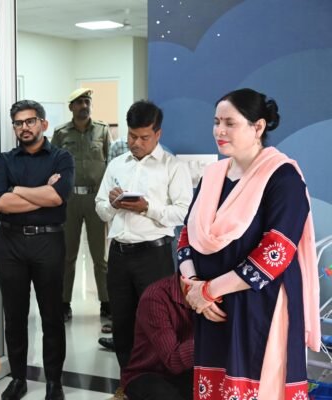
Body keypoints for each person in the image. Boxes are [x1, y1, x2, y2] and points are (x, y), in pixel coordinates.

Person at [179, 88, 320, 399]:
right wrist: (193, 284)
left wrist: (208, 291)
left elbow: (275, 253)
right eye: (216, 122)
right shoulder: (212, 176)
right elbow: (187, 235)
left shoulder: (282, 177)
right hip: (211, 309)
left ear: (258, 127)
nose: (219, 131)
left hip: (259, 306)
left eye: (230, 123)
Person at [95, 100, 192, 373]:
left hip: (154, 256)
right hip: (119, 255)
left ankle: (155, 384)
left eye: (143, 137)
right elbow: (100, 209)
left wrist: (147, 207)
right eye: (131, 136)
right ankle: (128, 383)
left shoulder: (173, 167)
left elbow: (183, 212)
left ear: (158, 134)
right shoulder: (116, 165)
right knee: (122, 323)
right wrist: (112, 204)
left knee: (157, 324)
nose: (136, 143)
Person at [0, 100, 74, 400]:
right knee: (15, 315)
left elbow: (58, 197)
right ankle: (18, 378)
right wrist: (42, 192)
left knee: (52, 315)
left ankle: (54, 382)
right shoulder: (4, 161)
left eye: (30, 121)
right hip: (10, 244)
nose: (24, 127)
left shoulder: (62, 158)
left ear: (43, 124)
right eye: (18, 123)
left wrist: (17, 190)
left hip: (48, 242)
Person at [52, 88, 110, 321]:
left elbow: (109, 162)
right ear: (71, 107)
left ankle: (106, 302)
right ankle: (63, 303)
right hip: (70, 200)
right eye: (79, 102)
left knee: (100, 256)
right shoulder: (61, 133)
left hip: (95, 199)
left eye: (87, 101)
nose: (84, 105)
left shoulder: (102, 130)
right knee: (68, 255)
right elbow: (53, 165)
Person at [121, 274, 193, 400]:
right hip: (148, 372)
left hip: (187, 371)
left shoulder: (217, 297)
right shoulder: (155, 297)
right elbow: (173, 360)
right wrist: (208, 342)